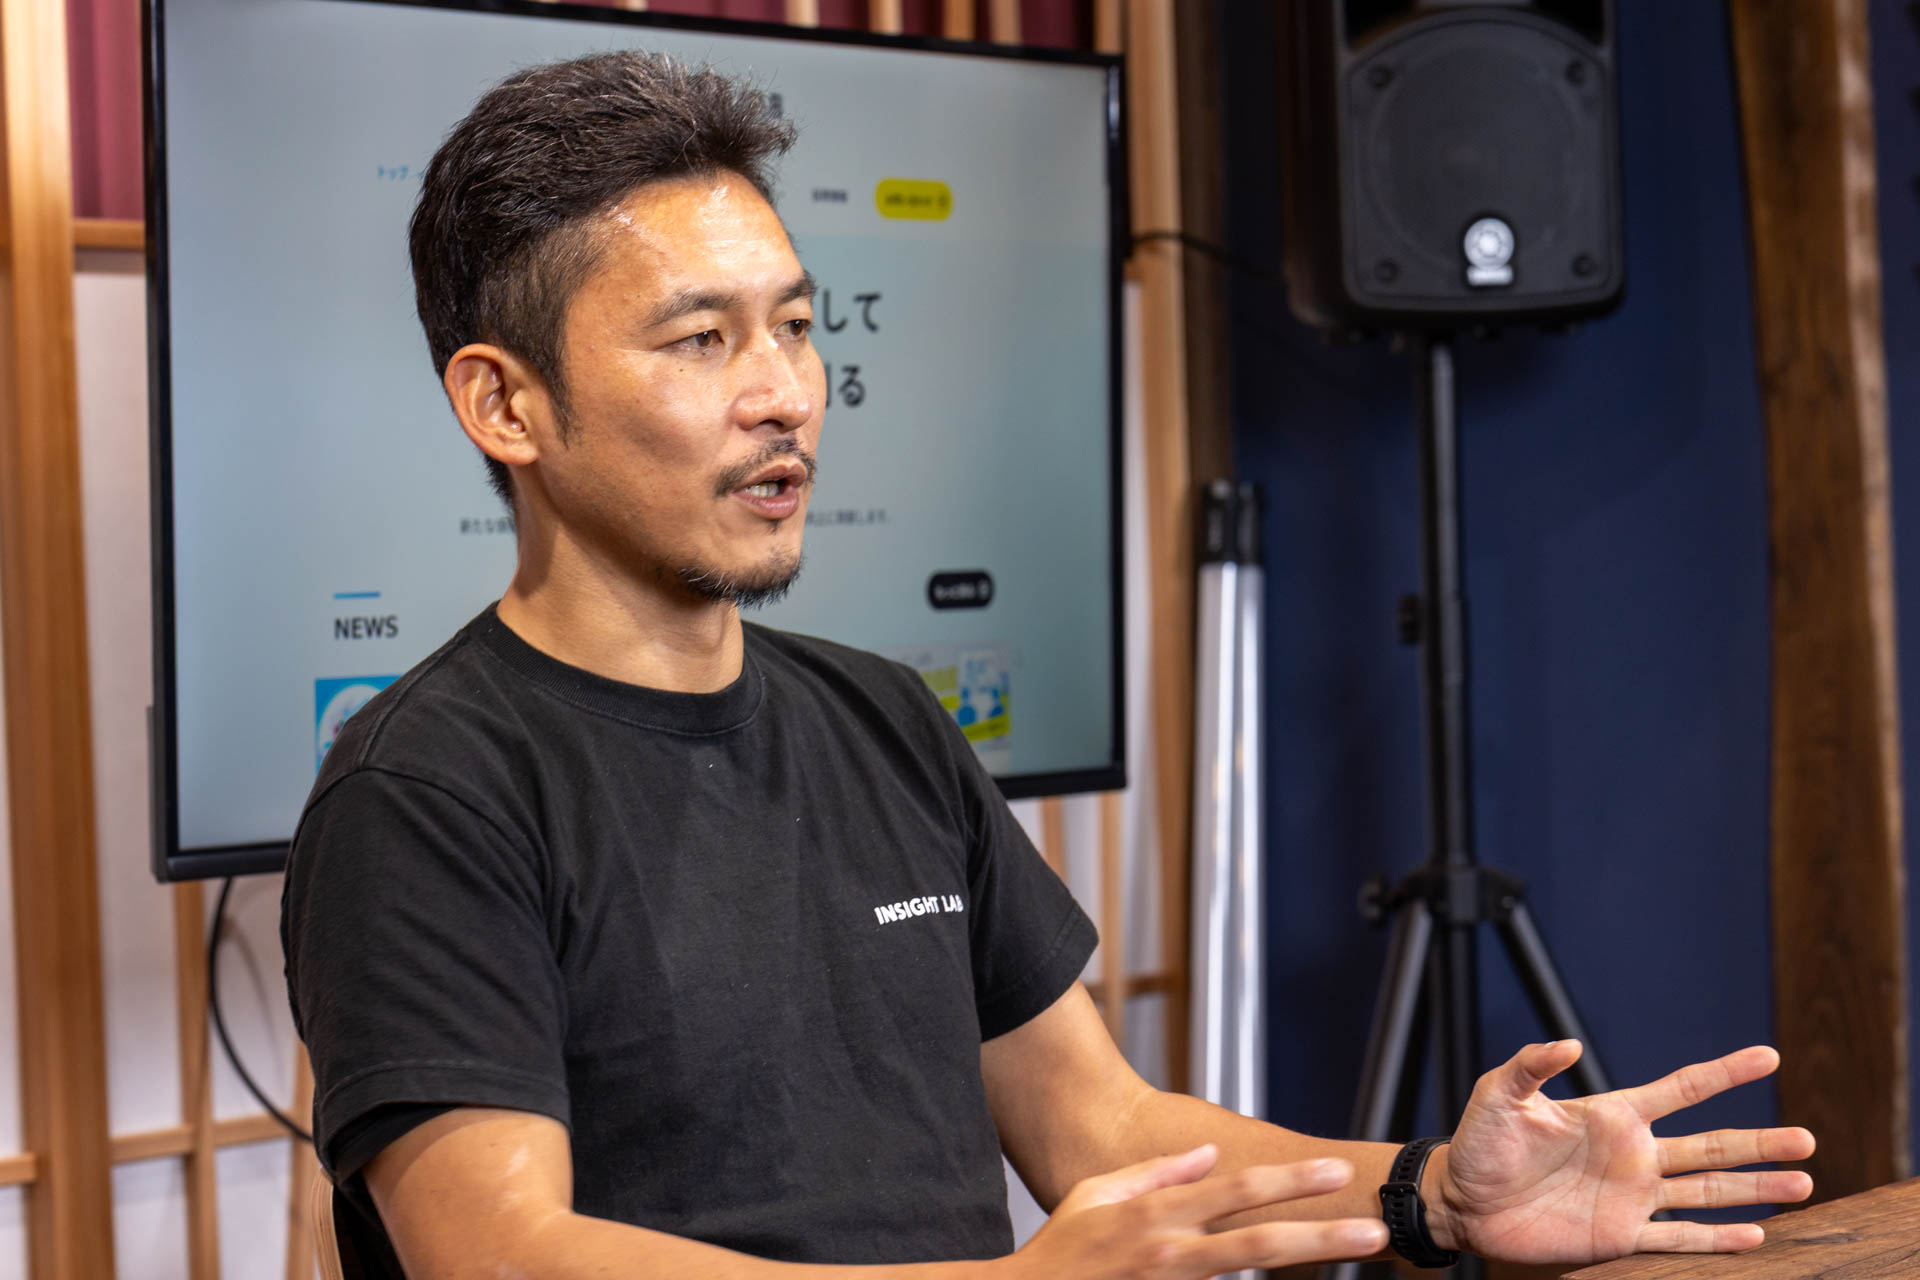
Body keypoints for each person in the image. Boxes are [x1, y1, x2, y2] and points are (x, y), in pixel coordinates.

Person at [281, 50, 1816, 1280]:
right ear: (505, 405)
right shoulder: (425, 790)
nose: (786, 394)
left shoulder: (881, 717)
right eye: (700, 341)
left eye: (797, 327)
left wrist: (1429, 1193)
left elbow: (1106, 1130)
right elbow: (502, 1253)